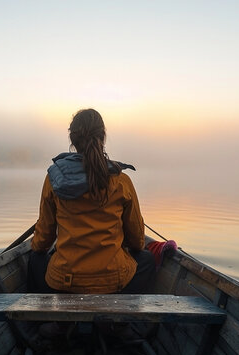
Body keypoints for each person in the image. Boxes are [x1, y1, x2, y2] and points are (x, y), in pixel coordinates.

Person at [28, 108, 157, 295]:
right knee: (147, 259)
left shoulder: (53, 180)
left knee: (34, 259)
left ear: (72, 140)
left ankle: (48, 321)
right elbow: (137, 241)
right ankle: (126, 323)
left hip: (64, 280)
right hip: (113, 280)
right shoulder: (121, 181)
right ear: (102, 137)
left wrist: (39, 247)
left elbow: (42, 241)